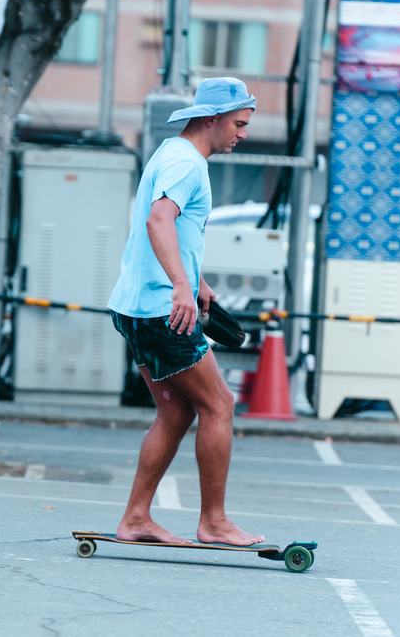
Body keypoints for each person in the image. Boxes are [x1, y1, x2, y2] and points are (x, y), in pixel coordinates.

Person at [107, 77, 263, 546]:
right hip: (163, 310)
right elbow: (159, 220)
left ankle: (136, 519)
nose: (242, 133)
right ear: (211, 119)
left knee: (175, 413)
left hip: (135, 305)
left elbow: (173, 229)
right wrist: (180, 286)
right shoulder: (187, 164)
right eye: (238, 124)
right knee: (219, 405)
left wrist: (195, 280)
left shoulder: (171, 152)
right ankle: (213, 522)